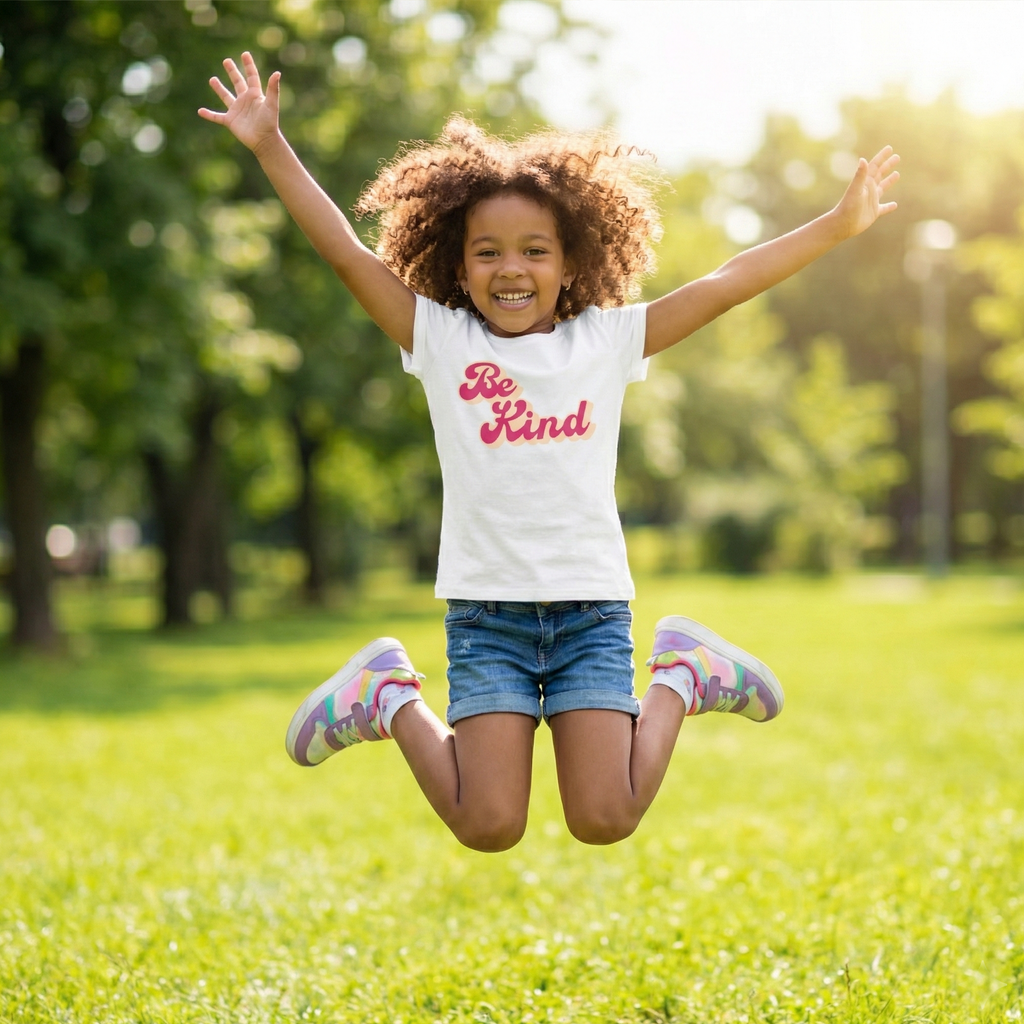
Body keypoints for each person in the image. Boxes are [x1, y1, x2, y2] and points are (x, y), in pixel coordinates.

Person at [200, 53, 899, 852]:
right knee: (487, 823)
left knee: (605, 817)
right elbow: (346, 256)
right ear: (457, 268)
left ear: (571, 266)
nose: (512, 268)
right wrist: (270, 148)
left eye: (535, 250)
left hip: (590, 614)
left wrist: (837, 227)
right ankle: (388, 694)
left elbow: (727, 281)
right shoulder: (442, 339)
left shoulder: (605, 340)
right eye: (488, 251)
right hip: (488, 617)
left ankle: (684, 674)